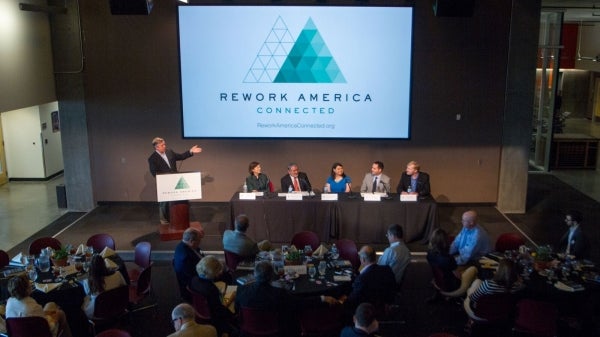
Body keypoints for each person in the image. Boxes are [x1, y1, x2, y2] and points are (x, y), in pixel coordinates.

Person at [235, 261, 337, 336]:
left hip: (247, 332)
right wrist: (322, 298)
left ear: (254, 275)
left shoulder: (241, 290)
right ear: (271, 276)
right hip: (276, 332)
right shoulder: (279, 294)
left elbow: (237, 311)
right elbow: (300, 303)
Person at [148, 137, 202, 224]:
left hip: (175, 180)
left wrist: (190, 151)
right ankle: (164, 221)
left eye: (164, 144)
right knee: (164, 203)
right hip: (164, 183)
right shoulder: (152, 158)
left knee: (177, 200)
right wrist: (165, 178)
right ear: (156, 147)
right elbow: (154, 173)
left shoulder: (170, 152)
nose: (165, 146)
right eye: (162, 145)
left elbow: (181, 156)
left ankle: (177, 218)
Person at [5, 274, 72, 337]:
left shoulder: (9, 303)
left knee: (51, 304)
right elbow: (48, 328)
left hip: (21, 332)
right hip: (42, 333)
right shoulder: (34, 307)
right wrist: (55, 317)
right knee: (61, 313)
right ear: (27, 289)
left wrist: (48, 315)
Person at [340, 246, 397, 315]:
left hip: (363, 312)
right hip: (383, 308)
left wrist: (341, 299)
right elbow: (393, 290)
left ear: (363, 260)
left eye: (360, 257)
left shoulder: (362, 279)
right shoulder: (387, 269)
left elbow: (352, 301)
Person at [188, 256, 236, 337]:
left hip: (200, 308)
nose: (220, 272)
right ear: (212, 273)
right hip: (215, 314)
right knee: (232, 290)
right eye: (218, 271)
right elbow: (220, 310)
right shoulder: (212, 290)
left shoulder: (193, 280)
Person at [426, 228, 478, 302]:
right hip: (451, 285)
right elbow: (458, 276)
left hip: (440, 281)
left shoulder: (429, 254)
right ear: (445, 242)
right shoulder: (448, 259)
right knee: (473, 269)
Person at [81, 254, 127, 318]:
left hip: (99, 312)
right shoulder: (118, 274)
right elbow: (125, 288)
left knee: (84, 301)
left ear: (90, 268)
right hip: (118, 306)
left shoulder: (88, 282)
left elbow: (88, 296)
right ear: (104, 265)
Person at [174, 228, 205, 303]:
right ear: (191, 241)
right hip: (194, 282)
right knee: (226, 279)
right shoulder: (185, 257)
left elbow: (200, 255)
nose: (199, 243)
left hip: (198, 273)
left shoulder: (182, 246)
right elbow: (194, 274)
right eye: (198, 241)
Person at [378, 224, 411, 288]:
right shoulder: (407, 251)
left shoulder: (390, 251)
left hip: (385, 285)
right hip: (398, 285)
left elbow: (379, 268)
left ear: (392, 235)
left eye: (388, 235)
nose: (387, 237)